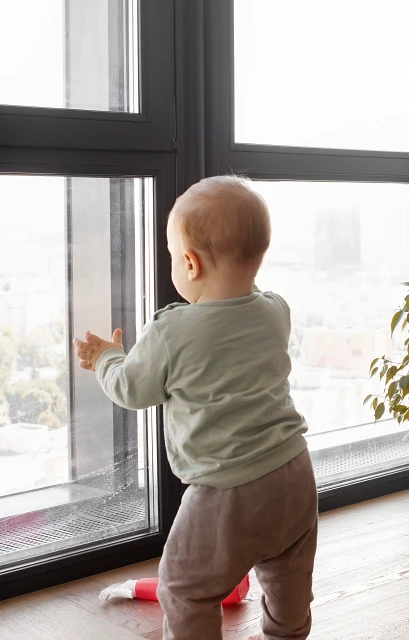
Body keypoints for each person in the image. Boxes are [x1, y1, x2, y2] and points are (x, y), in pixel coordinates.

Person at [73, 176, 317, 640]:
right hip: (294, 475)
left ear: (190, 263)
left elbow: (131, 388)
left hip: (228, 491)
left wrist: (106, 357)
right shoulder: (275, 311)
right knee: (288, 580)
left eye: (171, 255)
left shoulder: (172, 331)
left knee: (185, 589)